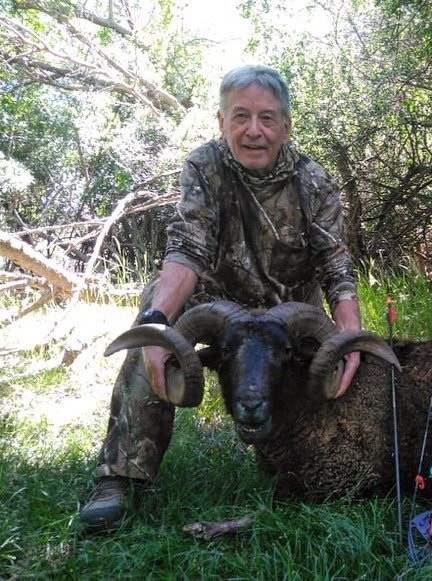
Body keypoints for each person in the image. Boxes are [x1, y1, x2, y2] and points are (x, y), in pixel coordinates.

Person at [80, 65, 362, 531]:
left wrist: (349, 330)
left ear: (286, 128)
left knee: (342, 360)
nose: (255, 130)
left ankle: (321, 461)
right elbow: (185, 251)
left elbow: (336, 266)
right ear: (221, 121)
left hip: (290, 315)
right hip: (218, 306)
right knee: (155, 315)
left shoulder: (315, 182)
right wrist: (155, 322)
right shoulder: (204, 167)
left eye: (267, 118)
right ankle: (121, 476)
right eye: (241, 116)